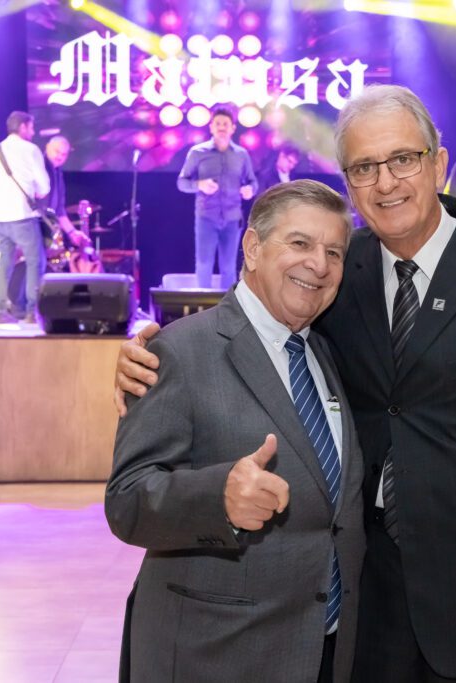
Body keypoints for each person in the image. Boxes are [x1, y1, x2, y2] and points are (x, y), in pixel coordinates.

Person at [116, 85, 456, 682]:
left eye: (403, 159)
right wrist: (154, 348)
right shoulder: (338, 270)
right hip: (364, 614)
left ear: (439, 164)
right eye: (364, 167)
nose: (386, 182)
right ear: (349, 183)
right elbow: (252, 321)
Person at [106, 180, 366, 682]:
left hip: (323, 653)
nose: (319, 264)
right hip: (216, 655)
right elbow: (127, 501)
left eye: (334, 252)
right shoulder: (178, 350)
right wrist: (217, 499)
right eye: (300, 242)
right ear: (251, 247)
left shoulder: (326, 352)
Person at [0, 110, 50, 323]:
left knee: (4, 263)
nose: (33, 132)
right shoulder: (31, 150)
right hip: (23, 217)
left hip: (1, 218)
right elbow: (44, 187)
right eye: (31, 127)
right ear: (22, 127)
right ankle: (32, 312)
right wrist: (38, 191)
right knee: (35, 262)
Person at [177, 106, 258, 289]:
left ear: (233, 128)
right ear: (211, 127)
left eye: (225, 124)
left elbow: (252, 182)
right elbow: (182, 182)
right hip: (206, 217)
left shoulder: (241, 154)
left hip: (232, 218)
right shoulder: (198, 152)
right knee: (204, 264)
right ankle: (202, 305)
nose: (222, 127)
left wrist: (249, 190)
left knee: (229, 267)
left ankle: (228, 306)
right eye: (218, 123)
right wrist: (199, 184)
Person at [43, 135, 87, 250]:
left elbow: (59, 211)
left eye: (64, 154)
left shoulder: (58, 172)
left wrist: (72, 232)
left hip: (46, 229)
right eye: (57, 152)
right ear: (47, 147)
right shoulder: (38, 167)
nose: (60, 157)